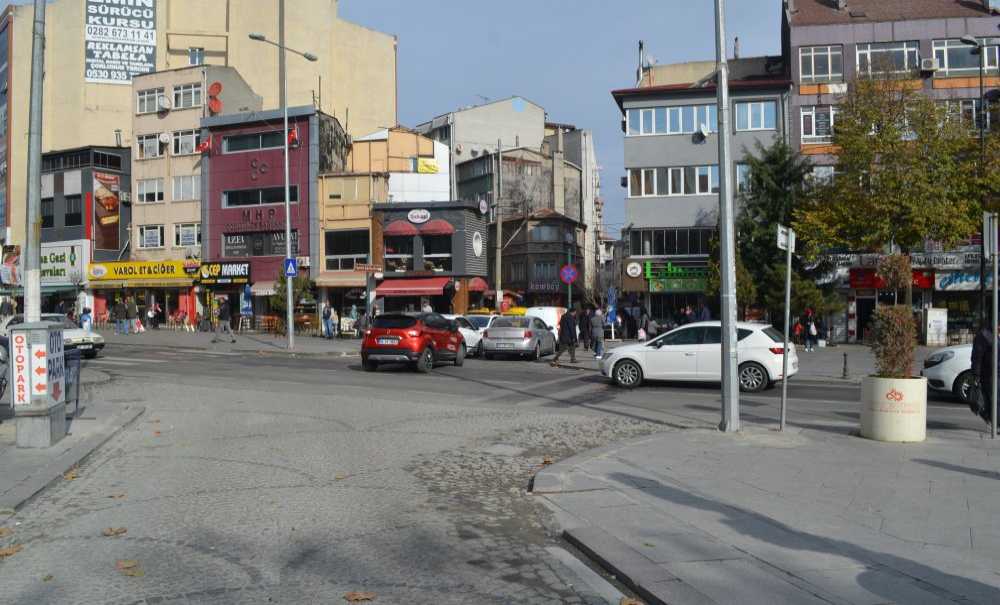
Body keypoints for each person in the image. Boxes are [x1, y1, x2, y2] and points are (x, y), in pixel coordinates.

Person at [971, 323, 998, 426]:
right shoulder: (984, 336)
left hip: (994, 373)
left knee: (993, 399)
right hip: (989, 374)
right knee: (993, 399)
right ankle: (994, 421)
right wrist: (976, 374)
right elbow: (977, 357)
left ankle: (991, 418)